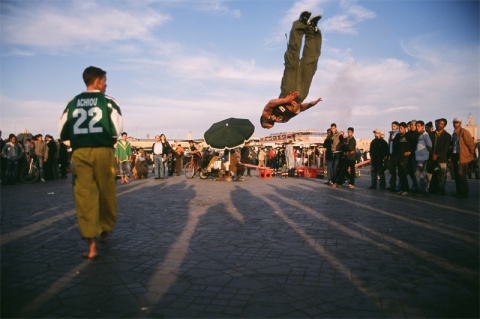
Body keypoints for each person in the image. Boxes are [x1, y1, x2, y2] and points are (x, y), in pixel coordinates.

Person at [58, 66, 123, 259]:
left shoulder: (72, 102)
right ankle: (105, 228)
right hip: (103, 151)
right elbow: (116, 130)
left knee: (84, 194)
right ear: (98, 81)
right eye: (105, 81)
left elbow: (63, 131)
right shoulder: (109, 102)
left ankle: (91, 244)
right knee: (106, 191)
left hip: (80, 152)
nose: (106, 85)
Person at [260, 11, 322, 129]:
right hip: (300, 96)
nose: (269, 125)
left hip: (288, 92)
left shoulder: (266, 114)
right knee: (310, 65)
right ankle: (312, 31)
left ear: (263, 119)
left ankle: (300, 23)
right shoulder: (283, 120)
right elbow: (300, 110)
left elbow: (271, 103)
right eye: (270, 125)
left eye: (266, 124)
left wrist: (286, 100)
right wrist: (310, 105)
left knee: (292, 60)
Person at [450, 117, 475, 198]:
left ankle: (464, 192)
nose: (455, 124)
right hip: (455, 155)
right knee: (456, 175)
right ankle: (459, 192)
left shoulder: (464, 132)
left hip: (462, 156)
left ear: (460, 123)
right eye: (454, 123)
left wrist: (470, 154)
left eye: (456, 122)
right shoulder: (454, 133)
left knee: (462, 175)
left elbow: (471, 144)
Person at [426, 118, 451, 195]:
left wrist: (437, 155)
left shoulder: (447, 136)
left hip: (442, 158)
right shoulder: (431, 134)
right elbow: (428, 145)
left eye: (441, 124)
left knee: (442, 176)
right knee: (429, 174)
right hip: (431, 157)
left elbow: (446, 147)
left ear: (444, 125)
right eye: (438, 123)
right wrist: (432, 154)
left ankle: (440, 190)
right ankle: (429, 189)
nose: (439, 125)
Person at [392, 122, 413, 195]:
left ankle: (406, 189)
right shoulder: (397, 136)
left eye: (401, 128)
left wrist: (410, 151)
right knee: (400, 174)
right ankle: (402, 189)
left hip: (405, 158)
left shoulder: (408, 136)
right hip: (398, 157)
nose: (400, 130)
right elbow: (394, 146)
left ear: (405, 128)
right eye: (399, 128)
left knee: (404, 173)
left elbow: (414, 145)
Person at [413, 121, 432, 197]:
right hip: (418, 157)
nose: (417, 127)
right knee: (418, 174)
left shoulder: (425, 135)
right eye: (416, 126)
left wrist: (424, 151)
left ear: (422, 126)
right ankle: (421, 190)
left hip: (423, 157)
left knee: (420, 174)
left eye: (418, 126)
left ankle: (423, 191)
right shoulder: (419, 135)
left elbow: (429, 145)